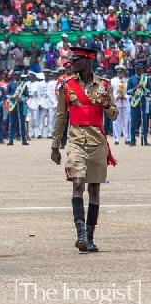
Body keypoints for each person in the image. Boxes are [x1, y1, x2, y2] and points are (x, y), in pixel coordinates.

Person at [51, 47, 118, 253]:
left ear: (88, 61)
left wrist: (106, 105)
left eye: (76, 60)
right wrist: (55, 146)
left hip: (97, 142)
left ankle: (90, 236)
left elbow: (114, 115)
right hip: (76, 141)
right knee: (78, 182)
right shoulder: (67, 86)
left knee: (95, 190)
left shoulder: (104, 86)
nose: (71, 63)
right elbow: (61, 117)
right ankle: (80, 233)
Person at [127, 63, 149, 146]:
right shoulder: (131, 79)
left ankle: (144, 140)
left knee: (144, 122)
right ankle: (132, 140)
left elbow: (149, 92)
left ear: (142, 69)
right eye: (136, 69)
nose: (137, 70)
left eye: (139, 69)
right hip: (134, 103)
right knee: (133, 122)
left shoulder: (146, 79)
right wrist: (135, 88)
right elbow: (128, 91)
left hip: (143, 102)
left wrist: (143, 88)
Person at [6, 71, 29, 145]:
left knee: (22, 123)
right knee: (12, 124)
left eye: (18, 75)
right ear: (13, 76)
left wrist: (21, 99)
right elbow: (7, 95)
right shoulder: (10, 84)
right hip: (13, 105)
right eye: (16, 75)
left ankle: (24, 140)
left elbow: (27, 96)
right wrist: (13, 97)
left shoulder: (23, 85)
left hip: (21, 105)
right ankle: (10, 140)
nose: (17, 76)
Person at [111, 65, 130, 145]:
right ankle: (117, 138)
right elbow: (111, 92)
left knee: (127, 121)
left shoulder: (127, 81)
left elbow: (130, 92)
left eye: (121, 72)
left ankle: (127, 138)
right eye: (118, 72)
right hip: (117, 102)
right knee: (116, 121)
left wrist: (125, 96)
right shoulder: (113, 81)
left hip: (125, 103)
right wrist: (116, 96)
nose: (120, 73)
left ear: (124, 73)